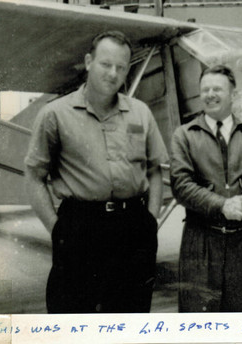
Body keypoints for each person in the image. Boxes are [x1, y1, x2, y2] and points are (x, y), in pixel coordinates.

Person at [24, 30, 168, 313]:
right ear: (89, 61)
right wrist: (58, 231)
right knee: (72, 322)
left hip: (133, 228)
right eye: (106, 64)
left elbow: (154, 171)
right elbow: (34, 176)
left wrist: (150, 222)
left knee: (131, 321)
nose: (113, 73)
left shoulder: (141, 113)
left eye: (121, 67)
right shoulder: (55, 114)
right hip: (80, 227)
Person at [170, 65, 242, 312]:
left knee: (239, 320)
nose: (210, 94)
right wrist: (222, 205)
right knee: (196, 319)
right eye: (205, 89)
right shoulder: (184, 135)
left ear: (233, 95)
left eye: (217, 89)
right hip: (200, 240)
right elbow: (181, 184)